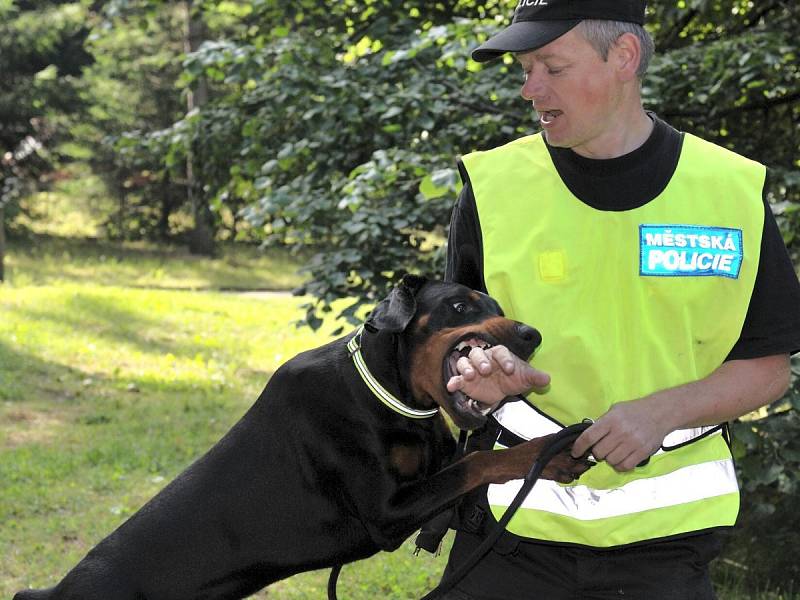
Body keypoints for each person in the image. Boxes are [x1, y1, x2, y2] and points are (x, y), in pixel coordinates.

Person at [440, 0, 800, 598]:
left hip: (669, 546)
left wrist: (661, 412)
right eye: (525, 69)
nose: (531, 89)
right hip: (509, 529)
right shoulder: (494, 188)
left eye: (552, 67)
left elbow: (767, 368)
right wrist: (471, 377)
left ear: (624, 58)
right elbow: (453, 352)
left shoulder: (729, 190)